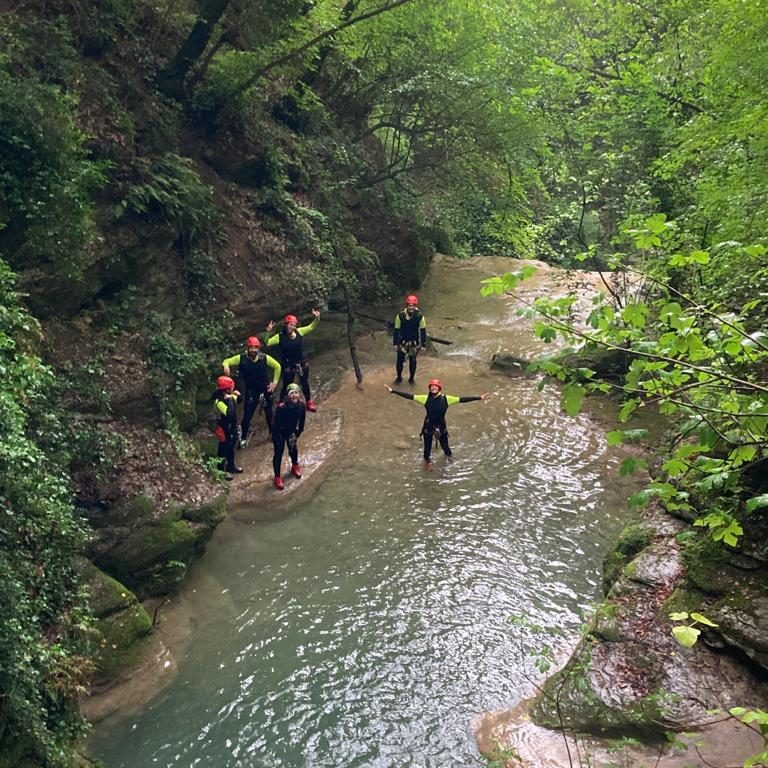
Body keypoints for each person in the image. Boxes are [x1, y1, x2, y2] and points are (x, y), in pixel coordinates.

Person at [385, 378, 489, 467]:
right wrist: (393, 391)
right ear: (429, 388)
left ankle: (450, 461)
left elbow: (462, 399)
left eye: (435, 387)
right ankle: (427, 464)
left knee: (446, 448)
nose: (433, 388)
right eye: (431, 387)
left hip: (441, 426)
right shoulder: (424, 398)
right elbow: (409, 396)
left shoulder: (447, 399)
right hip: (428, 426)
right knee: (427, 449)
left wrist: (479, 398)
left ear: (439, 388)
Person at [222, 336, 281, 446]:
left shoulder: (264, 358)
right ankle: (243, 437)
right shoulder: (241, 358)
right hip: (251, 391)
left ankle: (273, 433)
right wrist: (226, 366)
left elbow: (277, 366)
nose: (254, 350)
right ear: (248, 348)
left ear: (258, 348)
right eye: (251, 348)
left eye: (256, 348)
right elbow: (226, 361)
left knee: (269, 413)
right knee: (247, 415)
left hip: (265, 389)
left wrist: (275, 383)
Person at [265, 308, 320, 411]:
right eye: (291, 325)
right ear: (286, 325)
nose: (293, 327)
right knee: (286, 384)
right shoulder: (280, 337)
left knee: (304, 383)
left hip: (300, 363)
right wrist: (268, 332)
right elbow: (267, 342)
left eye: (294, 325)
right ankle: (282, 402)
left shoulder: (299, 332)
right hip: (288, 365)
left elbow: (312, 327)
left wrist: (317, 318)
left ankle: (309, 401)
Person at [271, 383, 306, 490]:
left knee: (293, 449)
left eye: (296, 393)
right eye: (292, 393)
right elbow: (275, 424)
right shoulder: (282, 408)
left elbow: (302, 420)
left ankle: (295, 466)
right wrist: (277, 437)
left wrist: (299, 431)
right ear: (287, 395)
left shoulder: (301, 405)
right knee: (279, 453)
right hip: (279, 433)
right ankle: (277, 476)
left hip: (291, 431)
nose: (294, 395)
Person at [393, 294, 427, 384]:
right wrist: (395, 344)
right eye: (409, 306)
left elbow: (423, 331)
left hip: (414, 342)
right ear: (407, 306)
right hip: (402, 341)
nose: (411, 307)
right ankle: (399, 377)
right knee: (399, 360)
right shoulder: (400, 316)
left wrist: (423, 344)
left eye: (412, 306)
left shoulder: (420, 317)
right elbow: (396, 330)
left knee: (413, 361)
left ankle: (411, 379)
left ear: (415, 306)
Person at [213, 375, 243, 477]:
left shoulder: (229, 396)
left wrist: (238, 396)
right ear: (226, 390)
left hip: (232, 426)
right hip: (223, 428)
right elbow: (229, 413)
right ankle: (221, 470)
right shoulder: (219, 401)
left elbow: (238, 400)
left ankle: (231, 466)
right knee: (223, 449)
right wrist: (230, 400)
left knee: (231, 447)